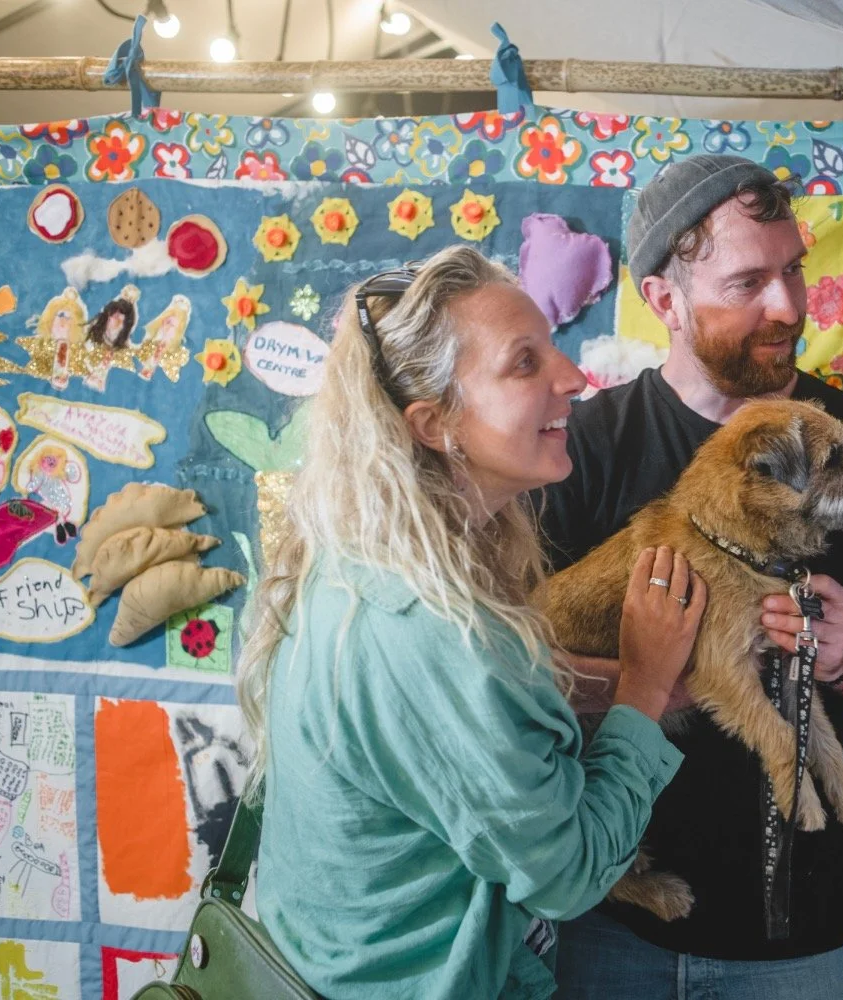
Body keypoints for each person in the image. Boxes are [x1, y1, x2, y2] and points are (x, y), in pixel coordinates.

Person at [235, 245, 709, 1000]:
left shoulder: (361, 561)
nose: (574, 378)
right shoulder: (436, 632)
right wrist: (643, 691)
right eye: (525, 364)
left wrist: (589, 685)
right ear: (435, 424)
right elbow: (568, 875)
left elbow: (445, 724)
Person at [541, 155, 843, 996]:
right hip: (605, 920)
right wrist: (656, 682)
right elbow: (503, 673)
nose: (790, 307)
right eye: (747, 282)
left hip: (801, 933)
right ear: (664, 301)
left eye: (795, 271)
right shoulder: (574, 450)